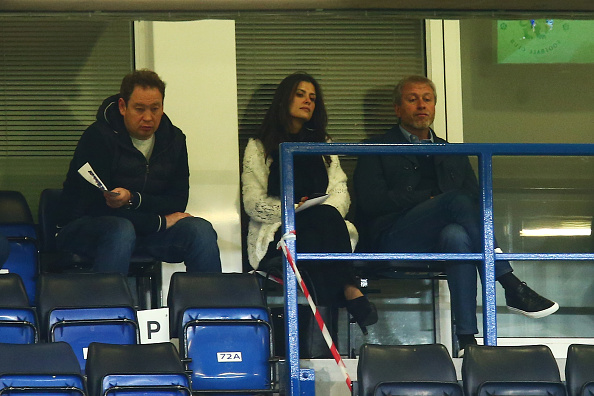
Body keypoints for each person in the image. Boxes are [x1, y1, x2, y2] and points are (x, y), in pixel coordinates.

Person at [353, 75, 559, 353]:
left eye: (427, 99)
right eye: (412, 99)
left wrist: (443, 203)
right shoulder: (374, 148)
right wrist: (430, 200)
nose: (421, 105)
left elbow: (476, 202)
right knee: (456, 201)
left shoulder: (452, 151)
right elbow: (371, 202)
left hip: (441, 241)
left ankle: (466, 341)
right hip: (394, 238)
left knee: (458, 236)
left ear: (435, 106)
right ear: (397, 109)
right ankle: (510, 284)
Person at [242, 72, 377, 332]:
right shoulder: (259, 145)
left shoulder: (323, 144)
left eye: (313, 98)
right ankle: (349, 289)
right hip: (280, 234)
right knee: (321, 226)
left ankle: (317, 342)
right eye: (300, 95)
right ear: (284, 100)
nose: (308, 102)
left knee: (323, 219)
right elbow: (253, 202)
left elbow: (340, 191)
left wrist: (317, 208)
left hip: (322, 227)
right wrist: (295, 210)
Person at [55, 69, 221, 274]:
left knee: (200, 230)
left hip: (147, 232)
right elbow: (96, 206)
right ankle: (110, 304)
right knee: (121, 230)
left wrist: (134, 199)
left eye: (155, 108)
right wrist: (159, 222)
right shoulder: (98, 137)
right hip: (84, 229)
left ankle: (209, 304)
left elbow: (177, 201)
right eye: (139, 109)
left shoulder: (174, 140)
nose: (148, 117)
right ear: (123, 107)